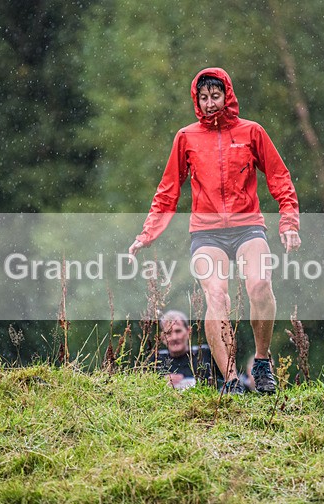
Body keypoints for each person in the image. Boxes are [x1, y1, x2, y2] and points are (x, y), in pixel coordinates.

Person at [128, 67, 301, 395]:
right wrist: (147, 233)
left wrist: (289, 222)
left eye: (215, 96)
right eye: (204, 98)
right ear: (197, 99)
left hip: (248, 226)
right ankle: (232, 379)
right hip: (207, 233)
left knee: (260, 285)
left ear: (227, 96)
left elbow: (280, 177)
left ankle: (262, 363)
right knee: (216, 295)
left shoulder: (252, 132)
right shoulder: (186, 137)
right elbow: (168, 190)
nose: (210, 103)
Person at [148, 310, 216, 390]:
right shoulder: (155, 360)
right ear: (162, 337)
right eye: (168, 333)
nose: (174, 338)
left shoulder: (205, 355)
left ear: (188, 332)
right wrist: (160, 383)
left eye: (178, 331)